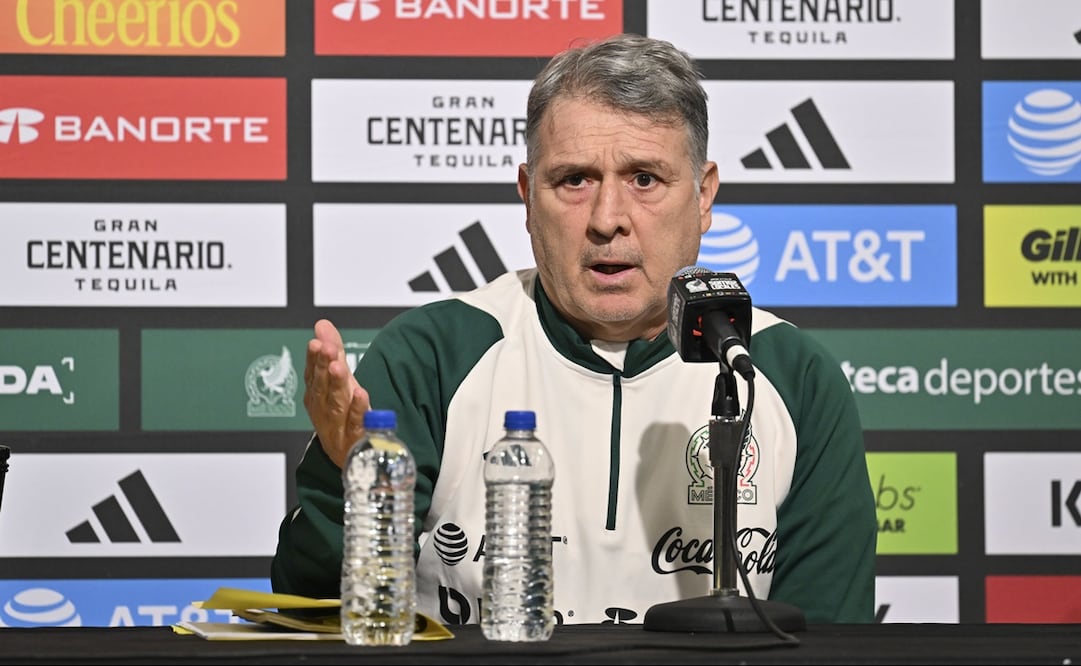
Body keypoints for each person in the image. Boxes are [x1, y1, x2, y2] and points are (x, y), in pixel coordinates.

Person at [271, 33, 877, 626]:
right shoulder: (432, 357)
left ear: (703, 196)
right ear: (527, 198)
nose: (608, 220)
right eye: (574, 180)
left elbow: (829, 639)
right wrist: (346, 486)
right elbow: (319, 611)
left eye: (645, 179)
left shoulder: (790, 376)